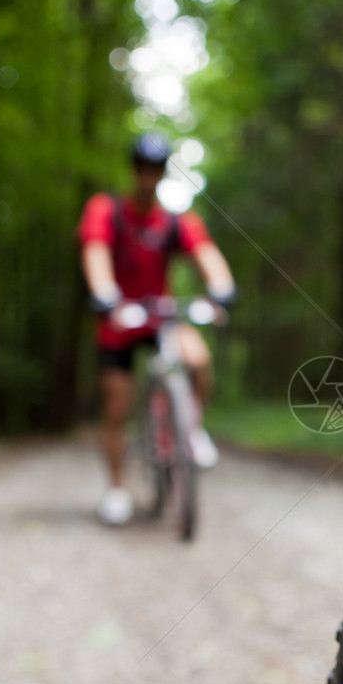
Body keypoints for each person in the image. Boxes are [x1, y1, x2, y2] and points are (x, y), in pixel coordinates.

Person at [79, 133, 236, 526]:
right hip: (120, 319)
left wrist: (221, 289)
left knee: (198, 358)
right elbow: (95, 254)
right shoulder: (106, 210)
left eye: (156, 169)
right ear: (134, 171)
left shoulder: (175, 222)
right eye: (142, 168)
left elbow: (207, 255)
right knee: (117, 406)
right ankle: (117, 489)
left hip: (160, 316)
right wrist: (105, 296)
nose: (148, 176)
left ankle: (188, 431)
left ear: (162, 173)